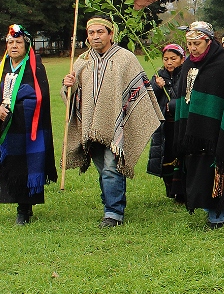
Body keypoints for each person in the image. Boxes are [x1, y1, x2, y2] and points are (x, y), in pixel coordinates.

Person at [62, 15, 163, 227]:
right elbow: (72, 96)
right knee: (104, 169)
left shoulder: (125, 59)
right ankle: (111, 203)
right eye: (91, 33)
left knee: (111, 168)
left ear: (111, 34)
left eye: (100, 32)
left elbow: (139, 89)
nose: (95, 36)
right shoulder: (82, 61)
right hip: (91, 126)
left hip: (118, 125)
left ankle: (113, 213)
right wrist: (68, 85)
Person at [166, 22, 224, 228]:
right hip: (194, 130)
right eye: (189, 44)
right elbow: (184, 95)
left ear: (208, 41)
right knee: (198, 169)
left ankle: (218, 214)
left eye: (197, 43)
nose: (192, 48)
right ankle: (206, 206)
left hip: (218, 130)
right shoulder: (189, 63)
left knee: (217, 167)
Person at [0, 24, 56, 225]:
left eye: (18, 42)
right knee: (8, 166)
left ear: (26, 45)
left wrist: (11, 111)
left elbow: (39, 98)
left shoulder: (35, 68)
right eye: (10, 42)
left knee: (25, 167)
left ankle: (24, 209)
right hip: (3, 130)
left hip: (27, 128)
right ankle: (17, 202)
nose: (14, 46)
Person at [147, 44, 185, 201]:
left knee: (180, 156)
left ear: (182, 59)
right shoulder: (158, 76)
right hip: (164, 125)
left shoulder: (186, 75)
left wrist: (174, 104)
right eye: (166, 59)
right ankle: (170, 189)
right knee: (166, 156)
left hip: (181, 124)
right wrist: (157, 86)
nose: (169, 62)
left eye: (173, 59)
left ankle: (181, 191)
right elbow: (149, 97)